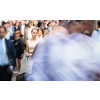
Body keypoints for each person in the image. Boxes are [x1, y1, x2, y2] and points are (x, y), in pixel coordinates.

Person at [27, 21, 100, 81]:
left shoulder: (90, 45)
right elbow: (37, 72)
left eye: (85, 24)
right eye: (78, 23)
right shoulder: (51, 41)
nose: (82, 27)